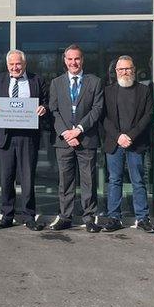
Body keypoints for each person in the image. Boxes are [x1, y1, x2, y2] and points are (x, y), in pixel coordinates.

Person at [0, 50, 48, 231]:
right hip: (5, 136)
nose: (15, 67)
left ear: (24, 64)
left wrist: (44, 108)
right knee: (6, 178)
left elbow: (47, 101)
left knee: (27, 178)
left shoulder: (37, 80)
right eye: (11, 64)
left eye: (18, 64)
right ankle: (7, 215)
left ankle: (29, 216)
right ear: (7, 65)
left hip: (28, 136)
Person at [47, 44, 105, 233]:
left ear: (82, 60)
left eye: (77, 58)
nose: (74, 62)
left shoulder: (94, 82)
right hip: (64, 140)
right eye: (70, 59)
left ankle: (89, 218)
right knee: (65, 180)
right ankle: (65, 217)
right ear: (65, 61)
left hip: (86, 139)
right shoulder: (56, 83)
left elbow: (97, 109)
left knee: (89, 180)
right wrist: (66, 132)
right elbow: (53, 111)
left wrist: (78, 130)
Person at [101, 55, 154, 233]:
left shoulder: (144, 90)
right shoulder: (108, 91)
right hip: (114, 142)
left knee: (138, 181)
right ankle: (114, 218)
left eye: (128, 68)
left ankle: (142, 218)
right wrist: (119, 136)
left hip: (136, 142)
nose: (124, 72)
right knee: (114, 180)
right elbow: (103, 118)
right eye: (121, 69)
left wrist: (130, 136)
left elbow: (148, 115)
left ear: (133, 69)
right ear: (116, 72)